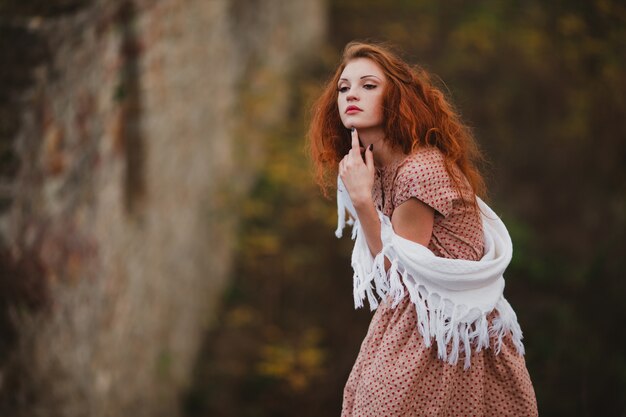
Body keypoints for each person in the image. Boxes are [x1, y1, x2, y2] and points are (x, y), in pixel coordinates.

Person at [307, 41, 538, 416]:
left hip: (452, 337)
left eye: (368, 85)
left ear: (394, 96)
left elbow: (397, 275)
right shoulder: (377, 169)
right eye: (344, 87)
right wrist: (365, 195)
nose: (352, 94)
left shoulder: (420, 171)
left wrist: (363, 203)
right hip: (413, 322)